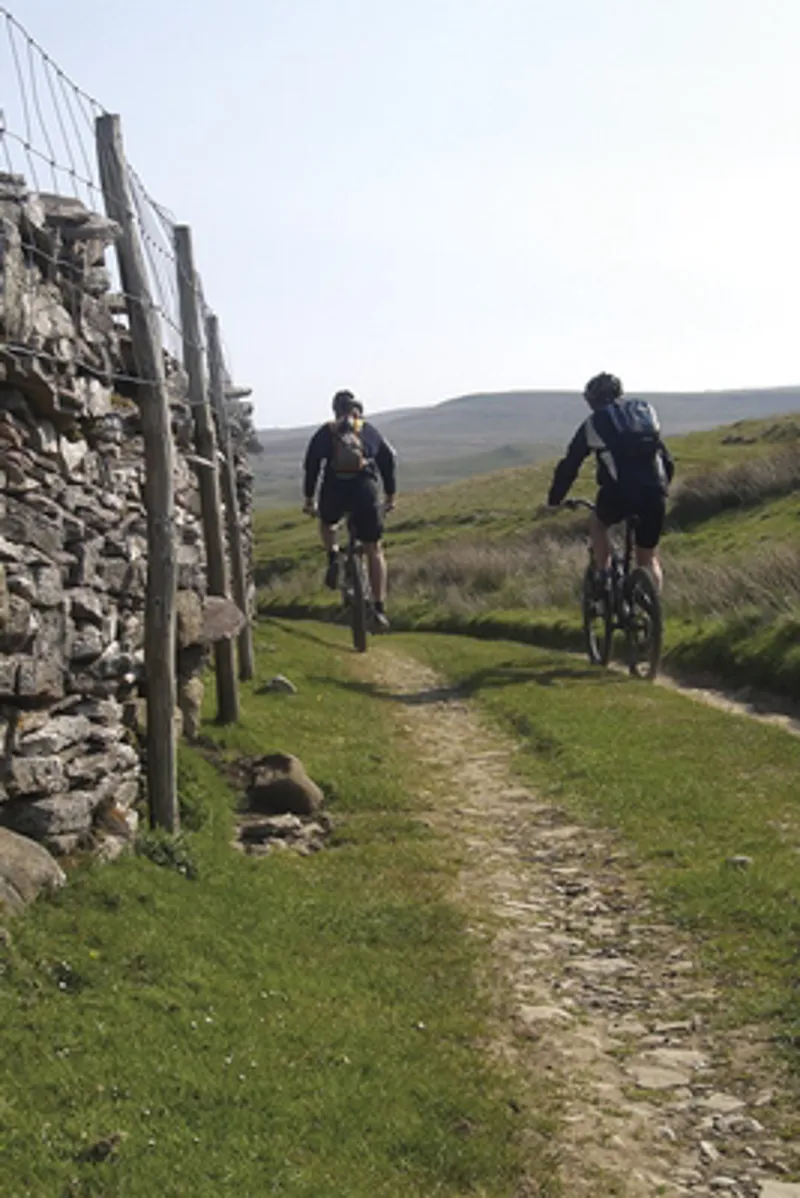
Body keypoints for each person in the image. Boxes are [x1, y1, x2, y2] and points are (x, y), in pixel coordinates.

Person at [547, 372, 674, 591]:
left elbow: (571, 464)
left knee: (598, 524)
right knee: (648, 558)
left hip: (619, 492)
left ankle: (603, 574)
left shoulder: (595, 422)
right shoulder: (641, 418)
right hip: (655, 493)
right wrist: (662, 489)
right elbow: (667, 461)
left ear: (592, 400)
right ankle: (653, 606)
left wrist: (555, 498)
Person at [303, 390, 397, 630]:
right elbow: (388, 460)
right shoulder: (368, 430)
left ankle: (333, 556)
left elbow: (312, 465)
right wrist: (390, 496)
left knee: (327, 523)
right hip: (364, 491)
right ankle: (379, 609)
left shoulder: (327, 431)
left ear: (335, 410)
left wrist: (309, 499)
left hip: (334, 491)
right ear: (358, 410)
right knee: (374, 549)